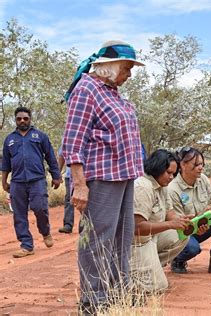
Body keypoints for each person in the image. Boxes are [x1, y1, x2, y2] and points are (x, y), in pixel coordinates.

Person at [62, 40, 145, 314]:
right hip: (101, 178)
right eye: (127, 67)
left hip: (123, 177)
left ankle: (117, 293)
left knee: (122, 237)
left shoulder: (112, 93)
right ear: (110, 66)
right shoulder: (86, 89)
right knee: (98, 240)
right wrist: (79, 185)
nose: (129, 74)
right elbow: (73, 141)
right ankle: (93, 301)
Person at [1, 107, 61, 258]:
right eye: (19, 118)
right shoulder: (9, 139)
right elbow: (5, 163)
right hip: (17, 182)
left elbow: (50, 157)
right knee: (19, 214)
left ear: (30, 119)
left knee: (40, 208)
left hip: (37, 180)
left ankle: (45, 231)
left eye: (25, 118)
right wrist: (4, 181)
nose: (22, 121)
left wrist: (56, 176)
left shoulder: (40, 136)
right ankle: (26, 245)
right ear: (15, 120)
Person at [168, 147, 211, 275]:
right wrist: (199, 220)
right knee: (193, 249)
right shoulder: (173, 189)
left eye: (201, 164)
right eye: (196, 164)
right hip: (182, 233)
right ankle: (177, 259)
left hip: (201, 224)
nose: (200, 168)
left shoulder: (203, 179)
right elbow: (178, 225)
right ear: (182, 164)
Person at [130, 149, 190, 293]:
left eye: (173, 174)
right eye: (168, 173)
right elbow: (136, 228)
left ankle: (151, 266)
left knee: (182, 236)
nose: (171, 177)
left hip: (150, 239)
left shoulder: (162, 185)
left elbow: (169, 212)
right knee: (158, 287)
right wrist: (170, 224)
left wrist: (183, 221)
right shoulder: (143, 187)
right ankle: (130, 272)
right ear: (157, 168)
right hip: (136, 244)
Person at [57, 147, 74, 233]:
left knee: (87, 201)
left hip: (86, 175)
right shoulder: (68, 135)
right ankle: (68, 225)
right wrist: (57, 173)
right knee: (69, 199)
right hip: (70, 175)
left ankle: (85, 226)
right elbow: (62, 155)